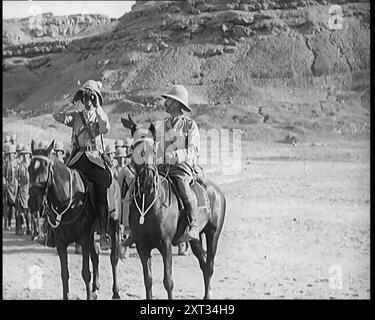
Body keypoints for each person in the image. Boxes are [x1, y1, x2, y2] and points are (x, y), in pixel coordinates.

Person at [52, 79, 112, 250]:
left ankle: (103, 231)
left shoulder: (100, 116)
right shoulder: (76, 116)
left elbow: (105, 127)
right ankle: (53, 228)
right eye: (85, 97)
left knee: (102, 187)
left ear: (95, 99)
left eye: (91, 97)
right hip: (78, 158)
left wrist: (98, 104)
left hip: (94, 158)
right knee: (60, 185)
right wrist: (71, 102)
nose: (87, 100)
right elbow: (56, 115)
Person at [160, 85, 200, 241]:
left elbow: (193, 152)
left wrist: (175, 155)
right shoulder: (162, 125)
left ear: (176, 103)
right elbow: (158, 148)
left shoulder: (190, 125)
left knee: (182, 186)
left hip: (182, 168)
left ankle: (193, 225)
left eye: (168, 99)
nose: (166, 102)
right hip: (163, 167)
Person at [16, 145, 32, 235]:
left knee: (29, 212)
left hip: (30, 190)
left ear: (29, 154)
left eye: (27, 153)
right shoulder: (19, 166)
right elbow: (16, 177)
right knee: (21, 211)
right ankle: (21, 227)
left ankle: (29, 227)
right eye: (24, 154)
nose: (25, 155)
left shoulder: (32, 164)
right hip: (22, 190)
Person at [4, 144, 19, 231]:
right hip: (9, 187)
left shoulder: (17, 163)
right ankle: (8, 223)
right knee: (9, 207)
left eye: (12, 153)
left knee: (17, 207)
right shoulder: (6, 163)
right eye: (9, 153)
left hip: (16, 187)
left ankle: (18, 225)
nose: (11, 155)